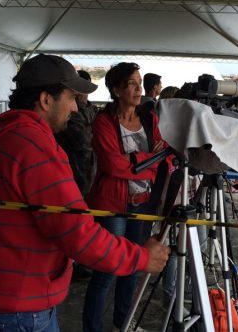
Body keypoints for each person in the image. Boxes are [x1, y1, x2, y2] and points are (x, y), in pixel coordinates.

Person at [0, 55, 169, 332]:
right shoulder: (35, 148)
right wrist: (141, 257)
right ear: (46, 100)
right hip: (17, 309)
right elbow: (78, 234)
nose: (75, 106)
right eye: (71, 97)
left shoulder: (5, 134)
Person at [83, 62, 166, 332]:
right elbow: (111, 165)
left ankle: (123, 322)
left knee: (132, 267)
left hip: (142, 203)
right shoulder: (104, 122)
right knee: (107, 270)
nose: (139, 88)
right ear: (116, 89)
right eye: (131, 83)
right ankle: (92, 328)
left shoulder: (149, 119)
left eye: (140, 82)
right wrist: (147, 159)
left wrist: (135, 161)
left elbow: (161, 155)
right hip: (113, 206)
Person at [55, 69, 98, 198]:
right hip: (77, 173)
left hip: (91, 174)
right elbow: (84, 142)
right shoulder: (71, 113)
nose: (82, 93)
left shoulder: (92, 109)